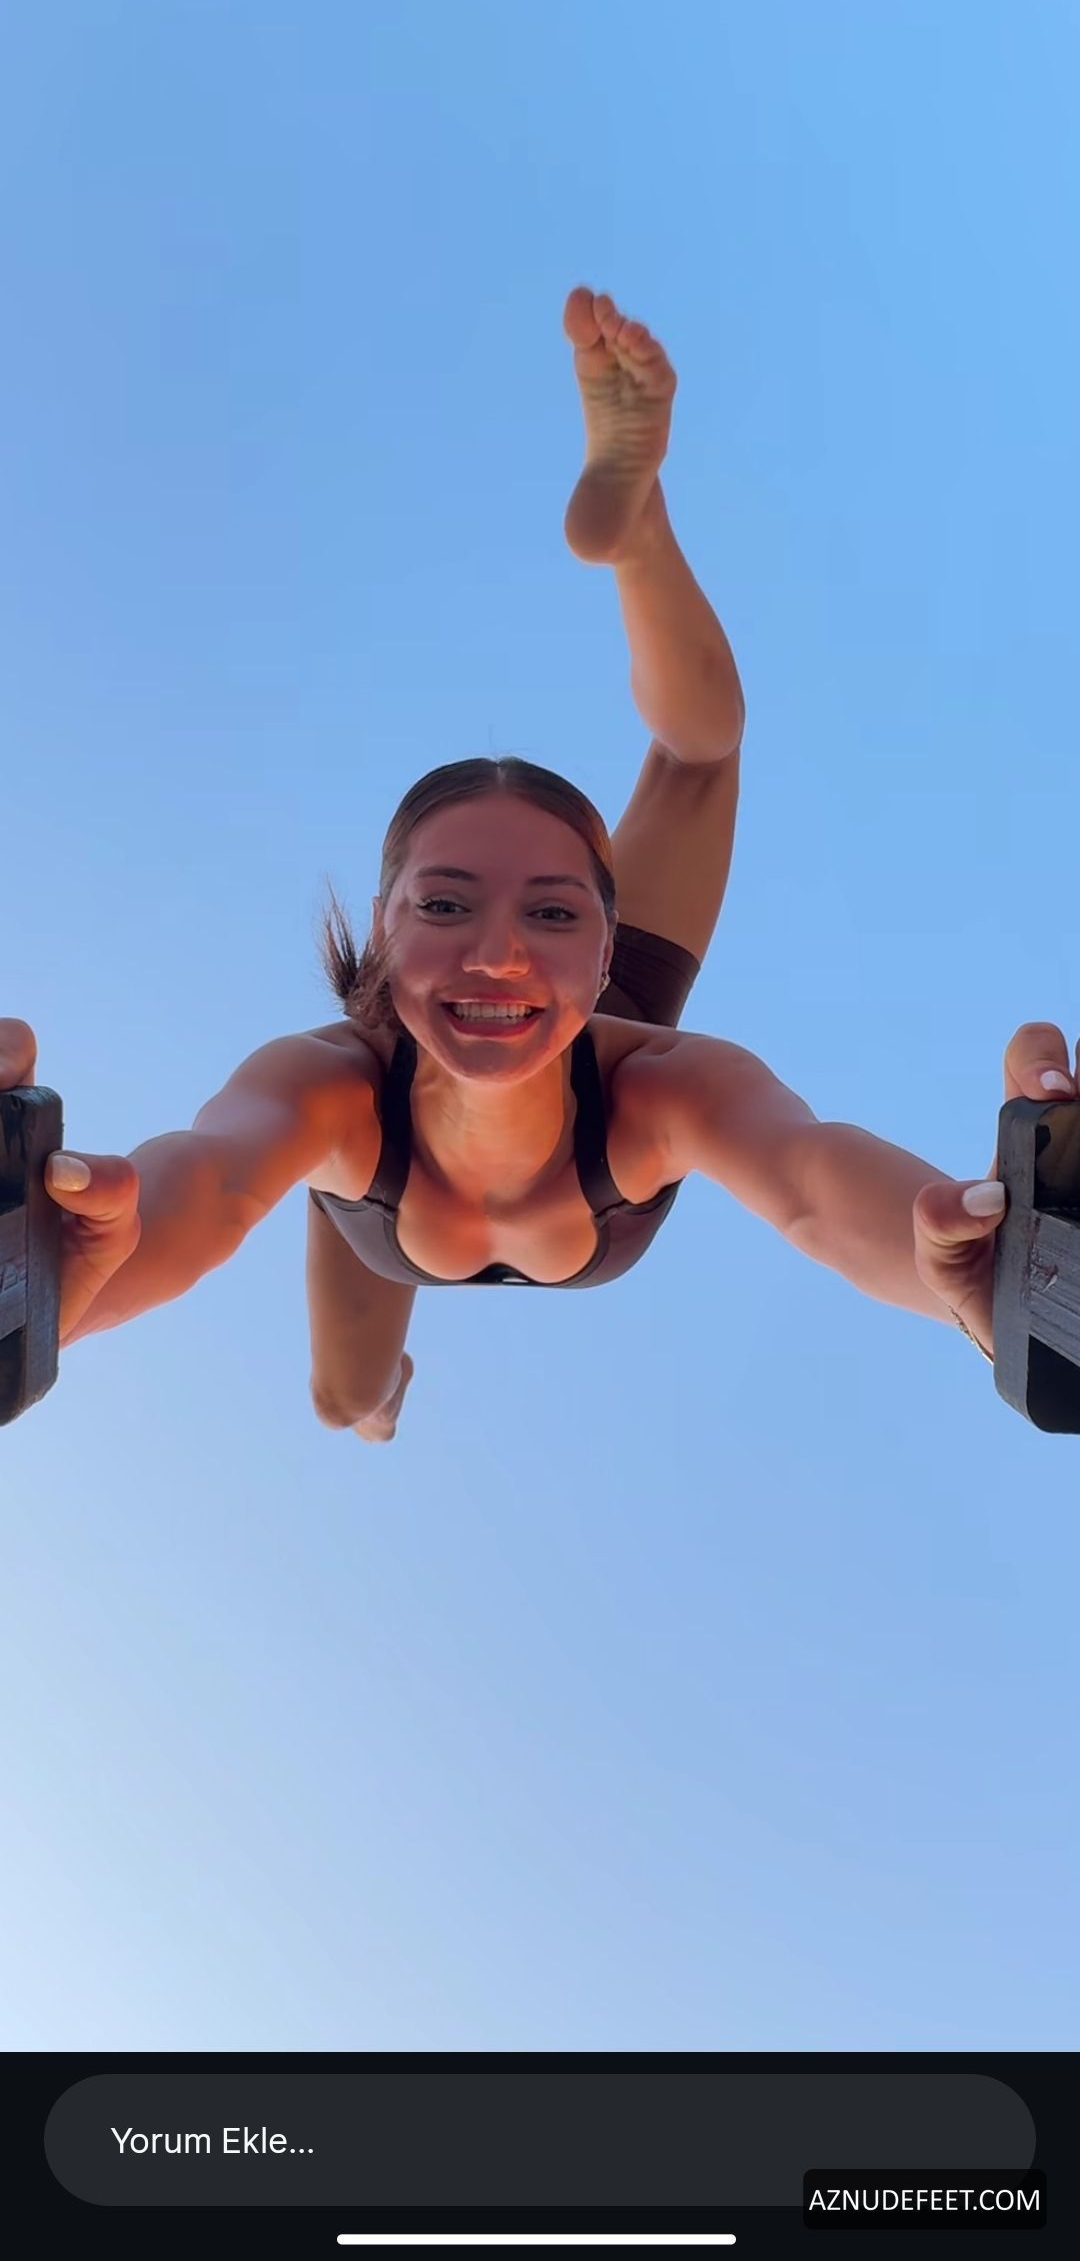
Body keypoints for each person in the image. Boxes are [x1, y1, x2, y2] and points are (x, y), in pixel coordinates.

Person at [2, 294, 1075, 1432]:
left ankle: (638, 529)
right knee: (347, 1397)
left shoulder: (665, 1085)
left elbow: (810, 1185)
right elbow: (210, 1186)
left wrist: (977, 1278)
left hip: (557, 1072)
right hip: (374, 1213)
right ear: (386, 928)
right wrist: (62, 1281)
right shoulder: (327, 1087)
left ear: (611, 951)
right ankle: (388, 1397)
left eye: (554, 914)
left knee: (700, 762)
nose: (500, 950)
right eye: (446, 904)